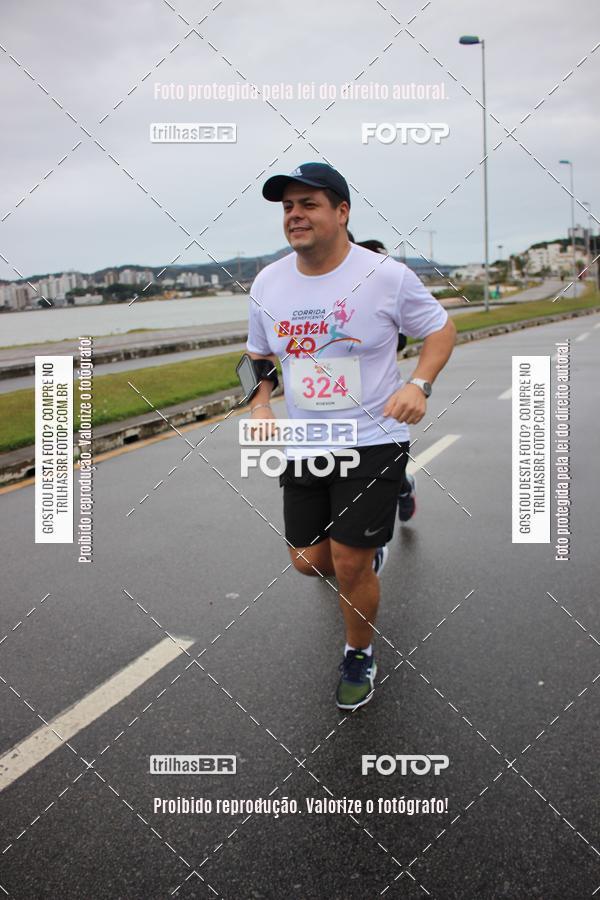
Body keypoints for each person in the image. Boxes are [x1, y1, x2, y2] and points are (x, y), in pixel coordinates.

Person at [245, 162, 456, 710]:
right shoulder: (268, 282)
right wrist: (262, 401)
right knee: (307, 562)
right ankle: (365, 553)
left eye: (308, 204)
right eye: (287, 206)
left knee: (347, 562)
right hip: (309, 444)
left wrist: (421, 384)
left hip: (374, 438)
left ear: (341, 212)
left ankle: (358, 652)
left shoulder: (385, 275)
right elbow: (257, 355)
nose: (295, 214)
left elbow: (440, 328)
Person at [354, 238, 415, 521]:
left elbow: (400, 339)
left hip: (378, 402)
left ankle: (402, 487)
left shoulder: (377, 286)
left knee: (380, 462)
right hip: (329, 413)